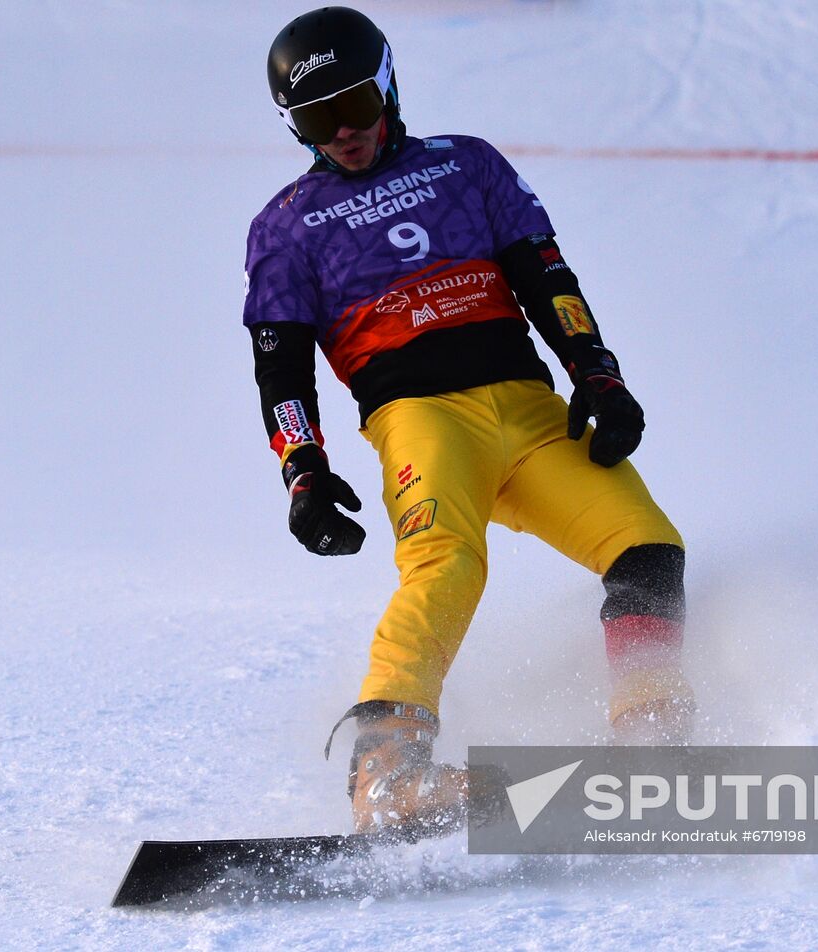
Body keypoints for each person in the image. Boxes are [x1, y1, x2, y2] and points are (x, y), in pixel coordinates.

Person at [245, 6, 693, 836]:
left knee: (647, 549)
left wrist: (598, 377)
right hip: (419, 419)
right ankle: (386, 768)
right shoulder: (286, 226)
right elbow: (280, 366)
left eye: (356, 106)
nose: (343, 132)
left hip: (526, 414)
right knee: (447, 564)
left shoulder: (468, 165)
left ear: (389, 86)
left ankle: (653, 740)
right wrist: (302, 468)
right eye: (316, 119)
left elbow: (545, 276)